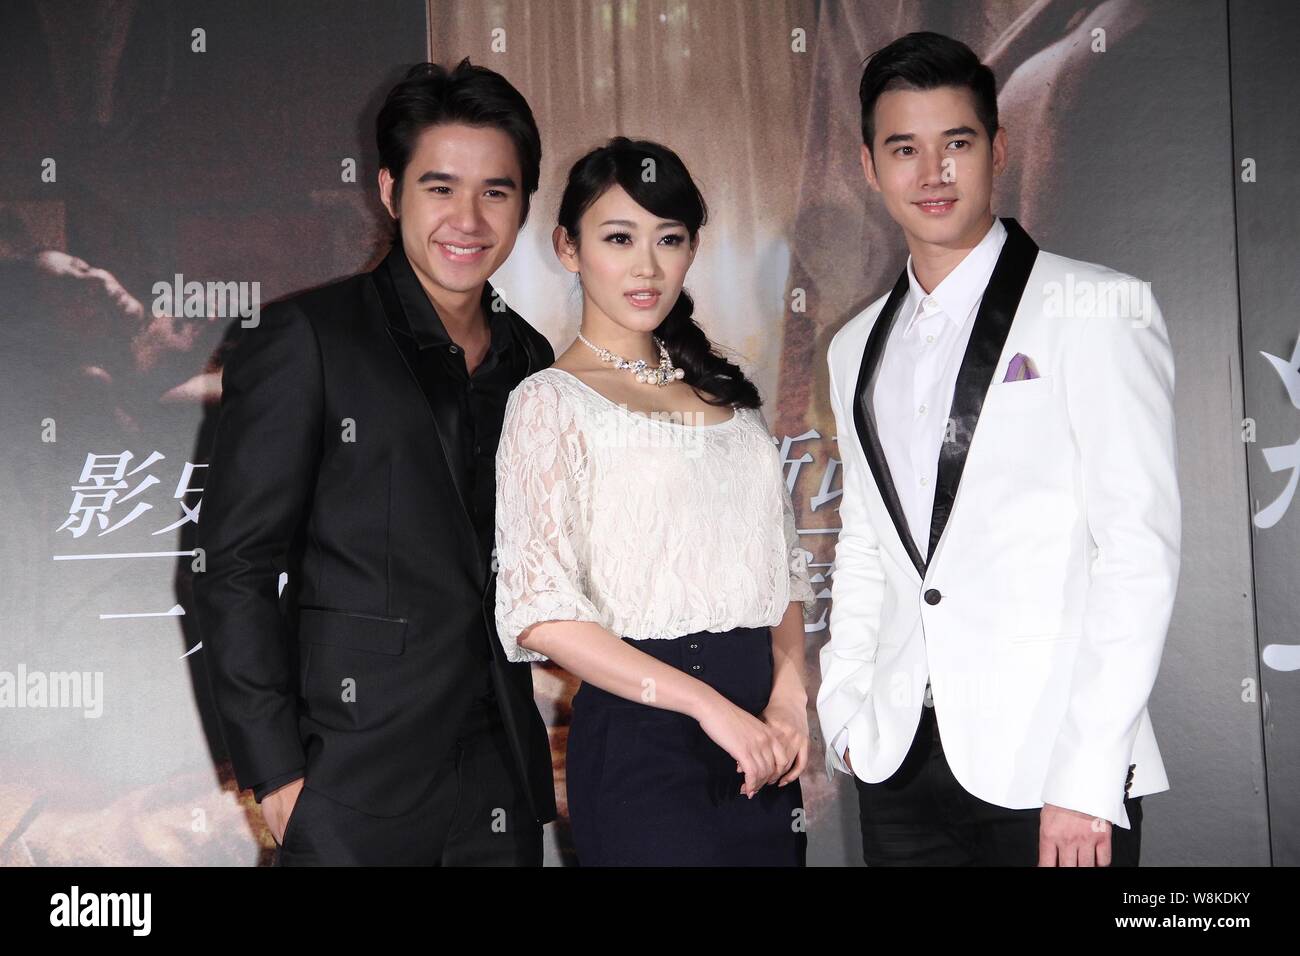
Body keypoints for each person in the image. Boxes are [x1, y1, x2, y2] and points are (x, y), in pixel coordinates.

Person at [817, 32, 1180, 866]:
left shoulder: (1098, 308)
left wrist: (1087, 777)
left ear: (998, 149)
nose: (933, 172)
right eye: (904, 149)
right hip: (898, 765)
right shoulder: (854, 347)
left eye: (957, 143)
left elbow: (1137, 551)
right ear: (870, 168)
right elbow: (866, 542)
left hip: (1051, 770)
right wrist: (845, 712)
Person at [192, 59, 557, 865]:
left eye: (496, 192)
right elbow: (233, 567)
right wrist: (280, 781)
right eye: (440, 187)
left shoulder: (531, 360)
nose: (468, 219)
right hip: (351, 780)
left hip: (499, 779)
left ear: (524, 203)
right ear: (390, 191)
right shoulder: (309, 339)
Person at [493, 137, 817, 866]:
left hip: (764, 745)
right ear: (568, 249)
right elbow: (540, 611)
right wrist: (708, 708)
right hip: (644, 748)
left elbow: (783, 570)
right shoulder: (548, 403)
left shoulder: (728, 396)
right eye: (619, 238)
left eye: (668, 239)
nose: (646, 267)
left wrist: (790, 699)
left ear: (692, 249)